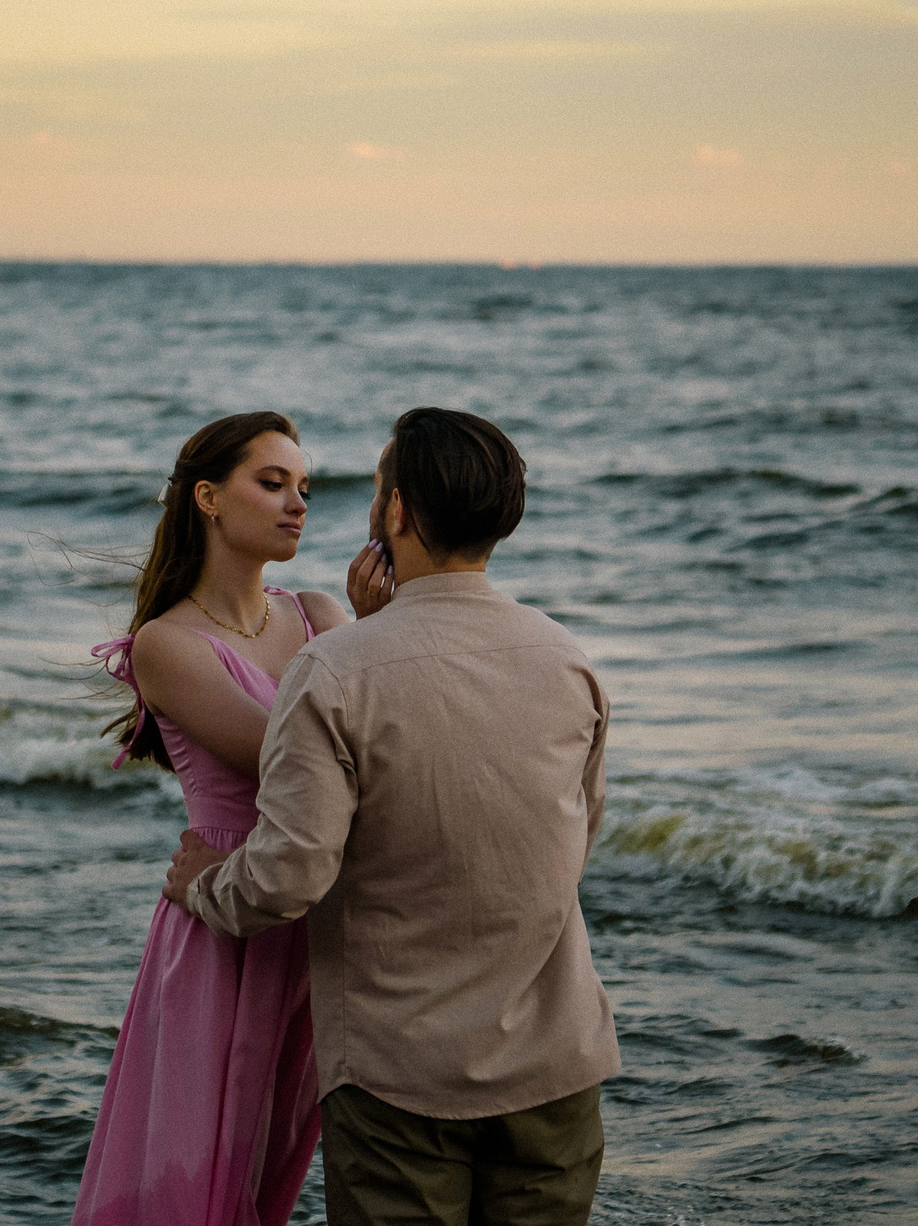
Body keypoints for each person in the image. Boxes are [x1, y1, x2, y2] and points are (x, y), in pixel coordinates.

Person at [163, 407, 620, 1226]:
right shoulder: (567, 657)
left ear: (398, 514)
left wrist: (206, 886)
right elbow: (568, 847)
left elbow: (290, 874)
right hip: (555, 1065)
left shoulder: (334, 667)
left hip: (400, 1076)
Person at [73, 410, 387, 1226]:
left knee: (277, 1163)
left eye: (305, 487)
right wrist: (372, 649)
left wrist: (374, 633)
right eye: (272, 482)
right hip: (222, 918)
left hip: (315, 909)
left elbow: (383, 747)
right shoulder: (166, 645)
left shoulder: (319, 613)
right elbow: (299, 759)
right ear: (208, 497)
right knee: (201, 1167)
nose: (298, 504)